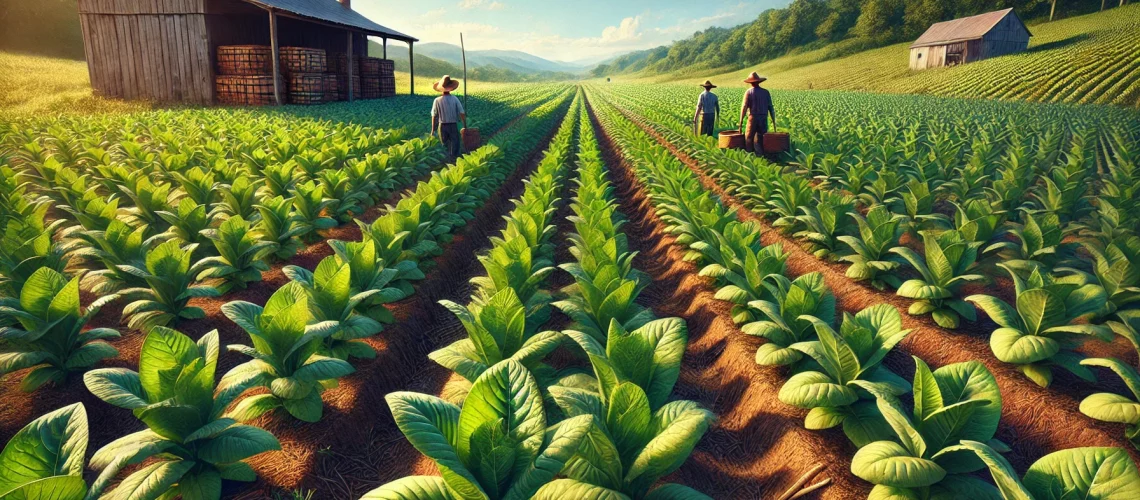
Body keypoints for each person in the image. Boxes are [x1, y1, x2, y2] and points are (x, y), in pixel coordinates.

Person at [430, 75, 466, 160]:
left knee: (444, 144)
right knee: (455, 143)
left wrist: (433, 129)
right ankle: (455, 159)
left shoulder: (437, 100)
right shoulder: (455, 99)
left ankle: (446, 161)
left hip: (442, 125)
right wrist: (465, 125)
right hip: (453, 125)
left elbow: (434, 115)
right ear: (451, 88)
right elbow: (462, 112)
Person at [738, 72, 775, 155]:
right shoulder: (766, 92)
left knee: (748, 137)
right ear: (758, 82)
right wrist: (773, 120)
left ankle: (749, 154)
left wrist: (740, 122)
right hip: (763, 117)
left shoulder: (749, 92)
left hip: (753, 117)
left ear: (751, 83)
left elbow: (744, 107)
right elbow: (771, 107)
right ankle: (760, 155)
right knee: (761, 137)